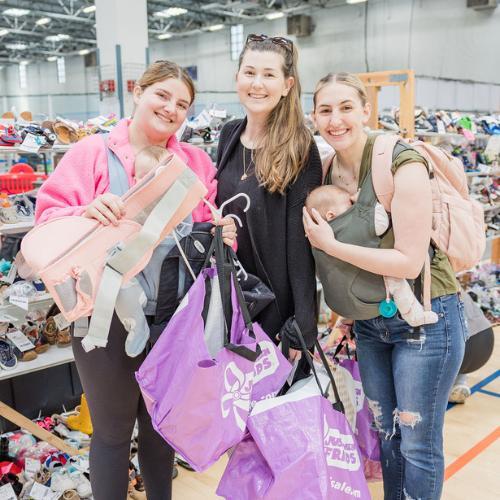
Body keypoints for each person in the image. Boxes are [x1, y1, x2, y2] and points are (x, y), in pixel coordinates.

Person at [35, 60, 236, 500]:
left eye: (182, 104)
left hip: (174, 322)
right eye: (162, 95)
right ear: (139, 93)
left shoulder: (195, 163)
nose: (171, 108)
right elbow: (45, 220)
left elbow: (210, 231)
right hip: (102, 321)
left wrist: (226, 235)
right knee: (111, 433)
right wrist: (82, 211)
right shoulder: (92, 153)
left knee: (161, 431)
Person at [303, 72, 466, 500]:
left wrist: (329, 244)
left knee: (416, 442)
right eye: (325, 110)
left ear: (365, 111)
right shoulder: (325, 169)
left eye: (345, 108)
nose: (335, 120)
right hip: (370, 324)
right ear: (314, 116)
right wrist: (343, 315)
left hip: (427, 321)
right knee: (386, 436)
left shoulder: (401, 160)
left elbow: (407, 260)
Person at [215, 34, 322, 366]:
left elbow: (302, 245)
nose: (257, 83)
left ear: (287, 85)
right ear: (237, 79)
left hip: (277, 310)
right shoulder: (228, 135)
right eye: (249, 72)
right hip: (233, 302)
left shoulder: (299, 146)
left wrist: (303, 323)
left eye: (269, 74)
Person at [305, 184, 438, 327]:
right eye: (350, 204)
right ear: (331, 215)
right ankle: (413, 315)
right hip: (384, 283)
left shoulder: (316, 236)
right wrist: (364, 202)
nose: (353, 207)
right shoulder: (349, 227)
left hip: (345, 306)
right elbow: (380, 222)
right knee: (397, 283)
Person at [113, 145, 193, 358]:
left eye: (157, 179)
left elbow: (188, 229)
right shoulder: (129, 206)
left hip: (174, 292)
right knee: (115, 272)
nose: (148, 185)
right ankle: (136, 324)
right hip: (140, 287)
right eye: (142, 178)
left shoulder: (179, 207)